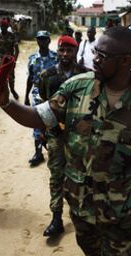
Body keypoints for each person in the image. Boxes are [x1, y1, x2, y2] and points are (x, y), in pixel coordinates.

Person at [0, 26, 131, 256]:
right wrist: (5, 102)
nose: (95, 59)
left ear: (125, 61)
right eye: (95, 52)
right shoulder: (75, 88)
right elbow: (38, 117)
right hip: (81, 203)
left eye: (103, 56)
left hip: (125, 209)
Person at [38, 35, 87, 238]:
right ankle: (56, 217)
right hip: (55, 134)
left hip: (79, 135)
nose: (65, 54)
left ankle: (82, 213)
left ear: (76, 52)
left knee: (82, 174)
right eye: (62, 50)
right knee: (57, 174)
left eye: (69, 50)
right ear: (57, 51)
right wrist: (42, 132)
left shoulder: (86, 75)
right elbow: (42, 105)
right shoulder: (47, 76)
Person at [24, 31, 57, 167]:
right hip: (37, 95)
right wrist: (26, 96)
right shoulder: (32, 58)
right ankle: (38, 153)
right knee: (36, 123)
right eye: (39, 39)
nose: (42, 42)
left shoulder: (56, 57)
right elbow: (30, 78)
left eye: (44, 39)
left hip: (53, 95)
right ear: (37, 41)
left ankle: (55, 150)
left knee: (53, 122)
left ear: (49, 41)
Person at [0, 18, 20, 100]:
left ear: (7, 26)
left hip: (9, 60)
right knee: (0, 77)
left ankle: (12, 90)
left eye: (5, 26)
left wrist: (14, 60)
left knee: (11, 77)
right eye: (2, 26)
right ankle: (2, 93)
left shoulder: (12, 36)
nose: (3, 27)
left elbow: (17, 50)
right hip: (0, 60)